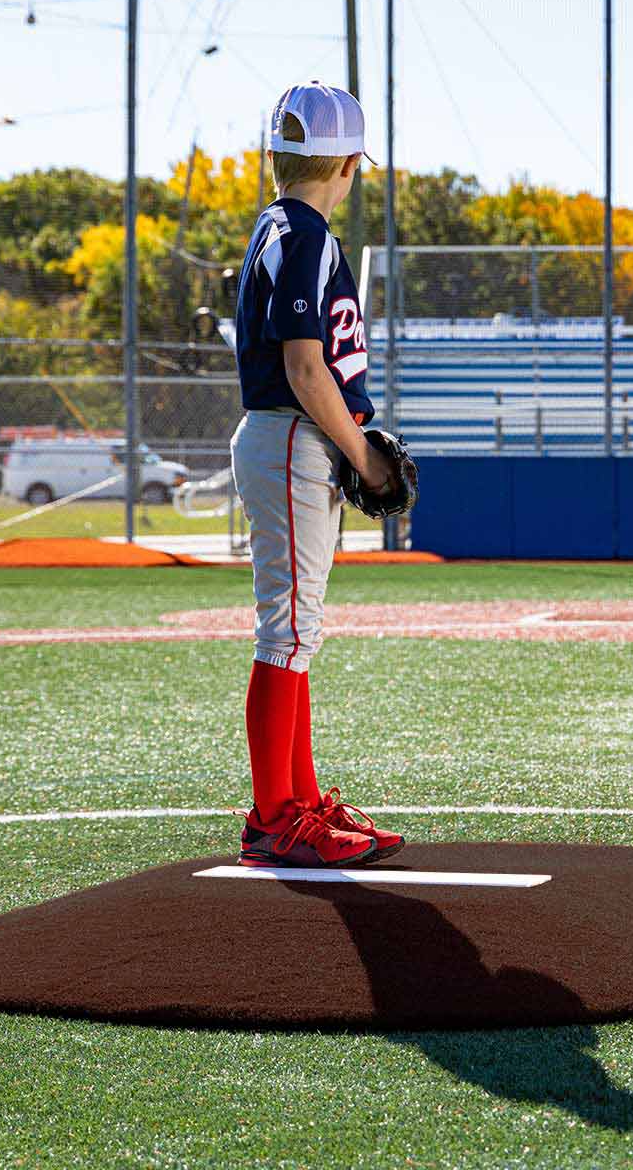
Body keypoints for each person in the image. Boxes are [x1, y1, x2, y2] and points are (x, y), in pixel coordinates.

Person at [229, 81, 405, 868]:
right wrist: (361, 453)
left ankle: (298, 804)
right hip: (294, 434)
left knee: (297, 632)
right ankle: (276, 817)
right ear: (348, 165)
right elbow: (305, 367)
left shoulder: (281, 226)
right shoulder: (304, 234)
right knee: (288, 631)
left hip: (290, 437)